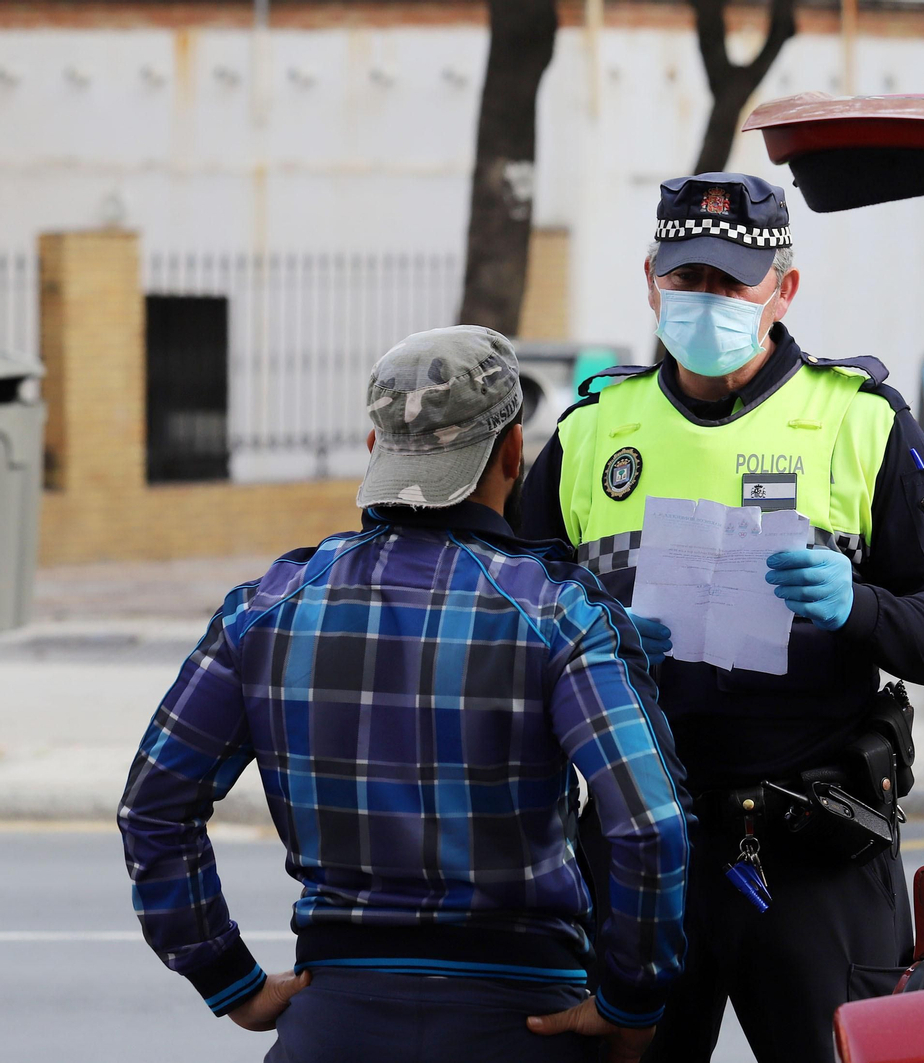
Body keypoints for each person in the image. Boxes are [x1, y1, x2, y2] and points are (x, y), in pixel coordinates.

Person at [118, 325, 693, 1063]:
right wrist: (631, 1001)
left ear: (375, 449)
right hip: (521, 1017)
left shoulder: (263, 610)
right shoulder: (557, 613)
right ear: (513, 453)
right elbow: (650, 825)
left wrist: (228, 976)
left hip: (333, 1019)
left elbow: (153, 808)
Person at [520, 173, 924, 1061]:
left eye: (732, 282)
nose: (706, 299)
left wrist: (860, 606)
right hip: (639, 841)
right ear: (651, 280)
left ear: (784, 288)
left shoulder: (861, 422)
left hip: (815, 846)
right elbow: (505, 630)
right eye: (687, 277)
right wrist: (590, 638)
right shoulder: (592, 431)